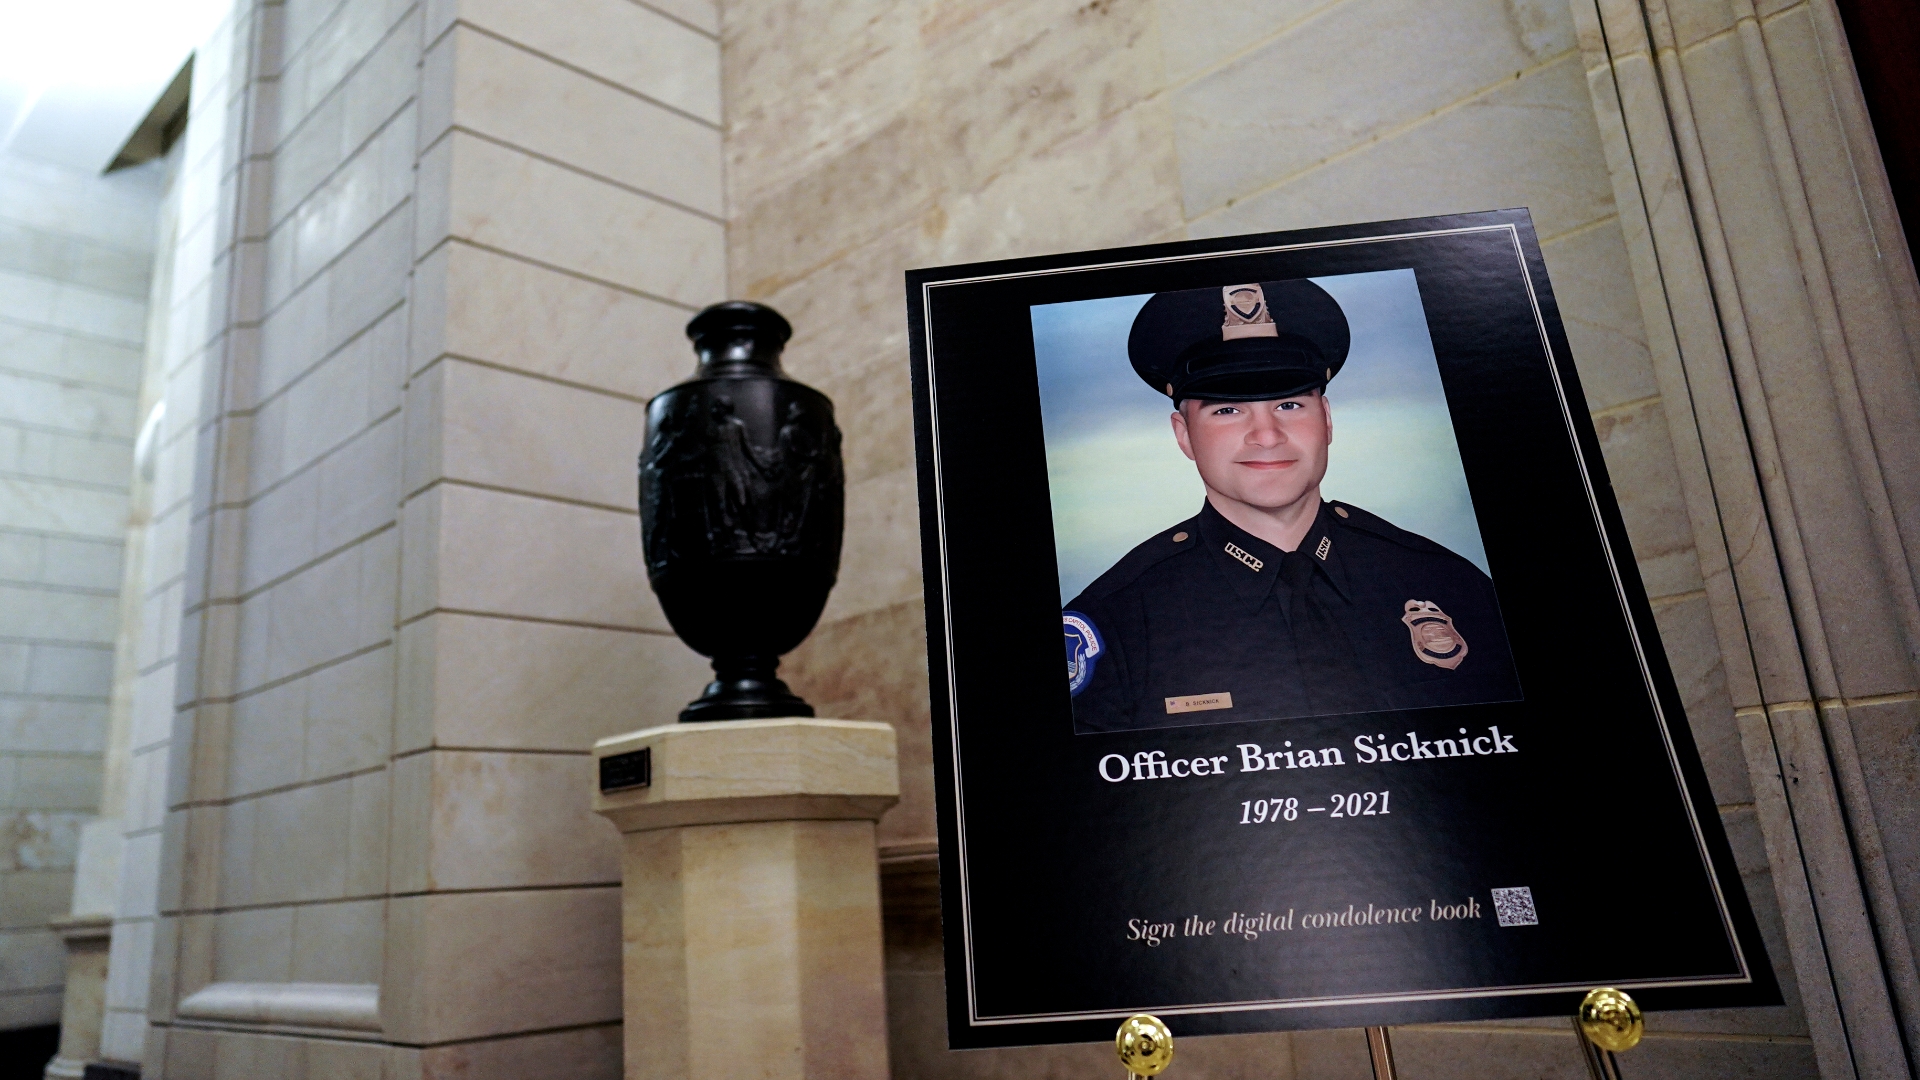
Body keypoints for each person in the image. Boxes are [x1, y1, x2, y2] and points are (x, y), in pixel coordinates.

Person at [1063, 279, 1521, 731]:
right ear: (1183, 435)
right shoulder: (1116, 624)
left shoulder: (1453, 586)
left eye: (1289, 405)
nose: (1266, 435)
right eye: (1227, 409)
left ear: (1326, 420)